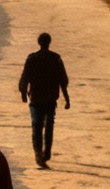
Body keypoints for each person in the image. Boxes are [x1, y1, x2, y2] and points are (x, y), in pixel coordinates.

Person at [17, 33, 71, 168]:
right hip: (50, 98)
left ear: (39, 42)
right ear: (49, 42)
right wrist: (67, 98)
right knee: (49, 126)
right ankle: (46, 153)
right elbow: (63, 80)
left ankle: (38, 154)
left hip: (35, 99)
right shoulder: (55, 58)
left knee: (37, 126)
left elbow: (25, 77)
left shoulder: (32, 58)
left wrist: (23, 93)